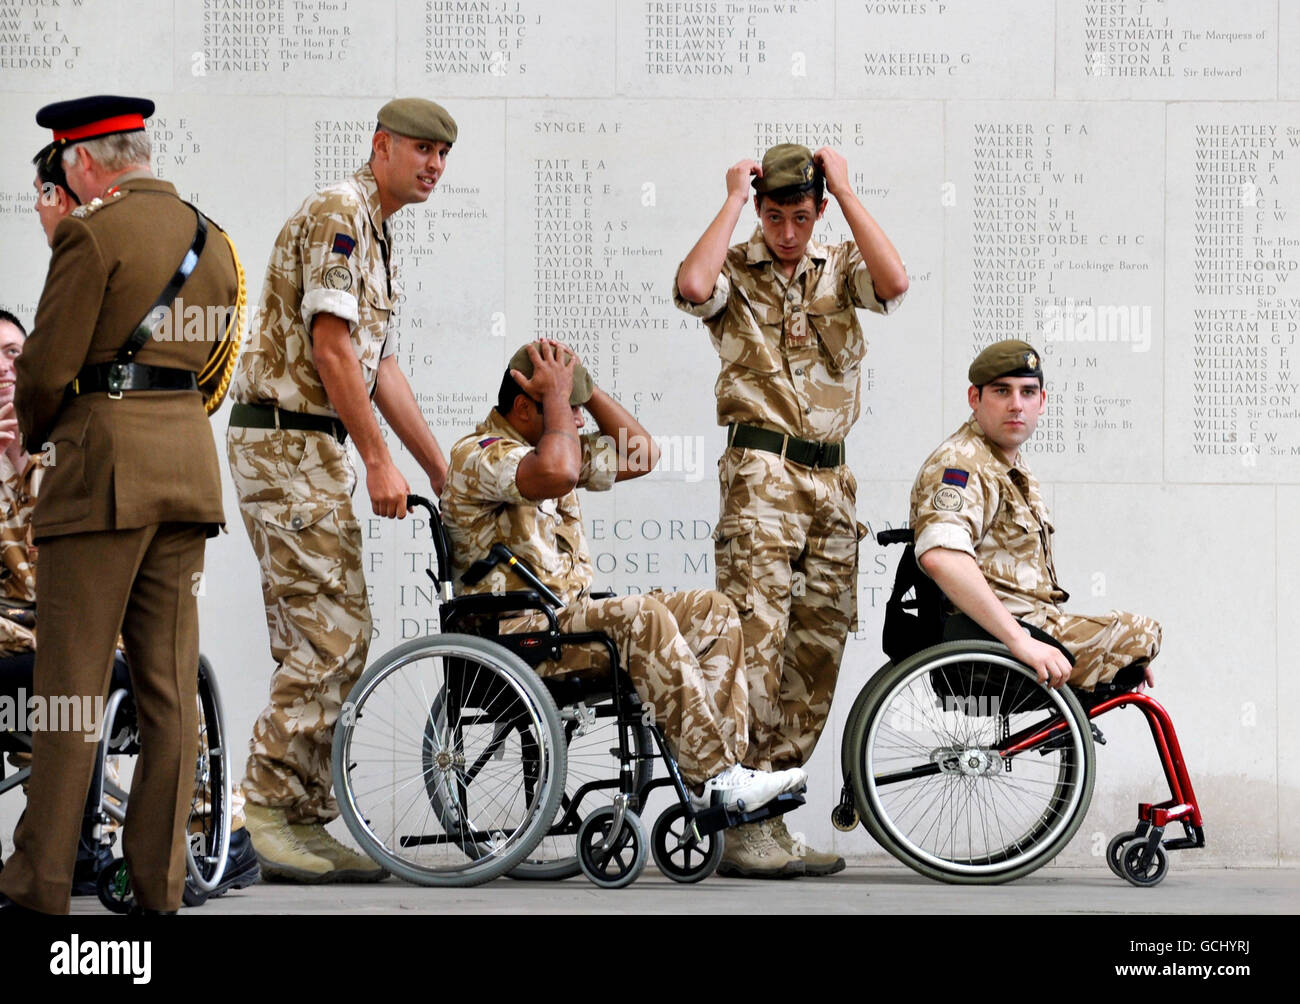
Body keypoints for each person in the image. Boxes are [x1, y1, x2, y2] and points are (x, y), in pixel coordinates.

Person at [0, 94, 241, 915]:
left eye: (64, 167)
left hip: (100, 477)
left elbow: (41, 370)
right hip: (185, 472)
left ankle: (40, 885)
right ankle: (159, 887)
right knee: (168, 692)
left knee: (69, 687)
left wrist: (38, 435)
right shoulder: (214, 242)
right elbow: (210, 367)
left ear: (85, 162)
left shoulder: (90, 234)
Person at [227, 98, 455, 882]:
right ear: (381, 145)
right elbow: (331, 350)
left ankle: (298, 817)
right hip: (287, 441)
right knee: (333, 636)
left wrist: (437, 470)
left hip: (306, 447)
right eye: (420, 149)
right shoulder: (340, 211)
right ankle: (263, 812)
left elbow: (376, 363)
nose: (433, 165)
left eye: (443, 155)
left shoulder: (377, 230)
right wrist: (376, 460)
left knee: (321, 636)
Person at [441, 340, 808, 825]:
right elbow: (557, 470)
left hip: (562, 626)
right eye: (567, 411)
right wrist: (558, 402)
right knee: (642, 616)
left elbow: (642, 453)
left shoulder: (552, 442)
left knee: (713, 611)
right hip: (517, 637)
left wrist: (582, 388)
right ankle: (715, 777)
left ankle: (721, 777)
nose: (577, 423)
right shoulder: (481, 454)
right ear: (526, 406)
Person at [674, 143, 909, 876]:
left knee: (817, 648)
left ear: (819, 211)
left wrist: (844, 184)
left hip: (832, 485)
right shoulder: (737, 271)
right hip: (763, 474)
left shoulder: (839, 265)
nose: (785, 232)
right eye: (774, 216)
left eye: (799, 216)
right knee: (755, 642)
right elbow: (691, 284)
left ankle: (769, 820)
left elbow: (896, 282)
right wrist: (732, 201)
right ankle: (742, 824)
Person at [909, 339, 1162, 692]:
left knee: (1137, 640)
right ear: (974, 398)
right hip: (995, 639)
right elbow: (941, 557)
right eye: (1001, 391)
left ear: (1042, 402)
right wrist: (1019, 641)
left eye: (1028, 392)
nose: (1016, 405)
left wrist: (1123, 658)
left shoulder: (1007, 464)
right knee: (1142, 631)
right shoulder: (962, 464)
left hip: (1033, 626)